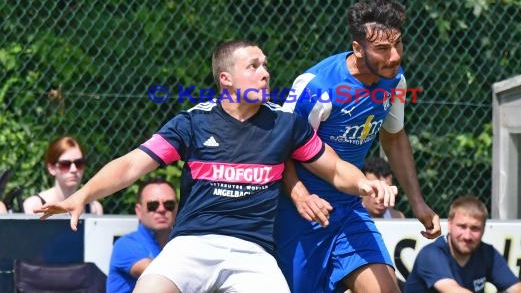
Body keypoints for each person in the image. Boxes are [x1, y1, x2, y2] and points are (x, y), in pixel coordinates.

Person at [35, 40, 398, 293]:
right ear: (226, 79)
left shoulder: (285, 125)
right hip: (191, 245)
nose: (265, 73)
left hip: (252, 252)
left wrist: (364, 184)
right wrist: (83, 194)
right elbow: (132, 165)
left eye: (266, 66)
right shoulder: (192, 123)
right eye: (253, 66)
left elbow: (334, 168)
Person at [275, 0, 441, 293]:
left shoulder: (395, 80)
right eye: (381, 49)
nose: (394, 57)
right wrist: (300, 196)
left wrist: (417, 201)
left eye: (398, 44)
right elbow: (278, 146)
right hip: (300, 212)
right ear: (357, 48)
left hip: (350, 207)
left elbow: (393, 137)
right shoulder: (317, 87)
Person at [404, 196, 521, 293]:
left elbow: (518, 289)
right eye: (462, 226)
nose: (467, 236)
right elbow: (453, 290)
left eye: (475, 228)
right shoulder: (432, 254)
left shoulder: (488, 253)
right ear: (449, 224)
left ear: (484, 229)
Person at [107, 178, 178, 293]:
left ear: (177, 208)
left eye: (169, 204)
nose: (161, 209)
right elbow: (161, 277)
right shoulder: (126, 245)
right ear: (139, 211)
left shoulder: (181, 244)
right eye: (152, 205)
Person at [23, 136, 103, 215]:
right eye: (65, 164)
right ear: (51, 168)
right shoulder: (34, 206)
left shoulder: (94, 209)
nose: (73, 169)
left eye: (79, 163)